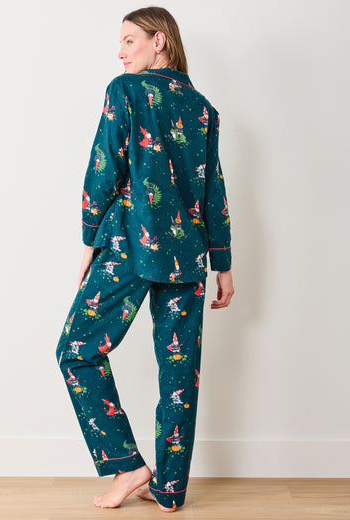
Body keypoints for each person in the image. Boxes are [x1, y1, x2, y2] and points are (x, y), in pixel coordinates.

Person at [55, 6, 234, 513]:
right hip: (189, 254)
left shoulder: (126, 91)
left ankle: (128, 465)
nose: (120, 52)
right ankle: (170, 491)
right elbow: (213, 191)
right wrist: (223, 263)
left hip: (130, 244)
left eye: (129, 40)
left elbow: (104, 165)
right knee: (180, 376)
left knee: (76, 351)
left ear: (160, 41)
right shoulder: (202, 107)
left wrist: (89, 240)